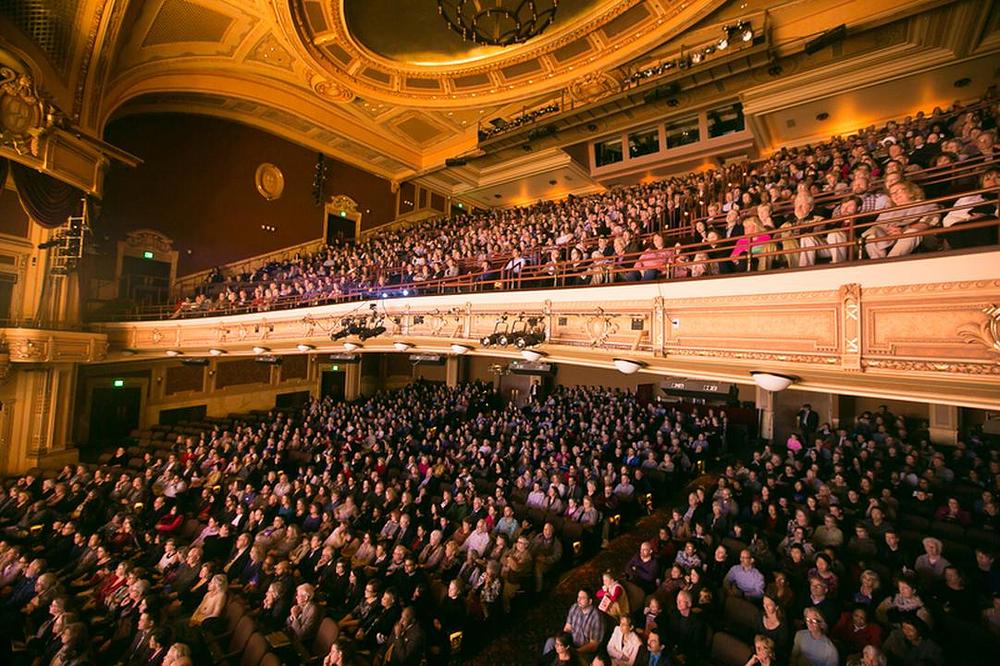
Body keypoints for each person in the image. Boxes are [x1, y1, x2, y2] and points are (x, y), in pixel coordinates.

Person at [544, 588, 604, 658]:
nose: (578, 600)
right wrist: (562, 642)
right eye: (578, 597)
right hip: (570, 642)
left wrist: (575, 651)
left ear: (590, 601)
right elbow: (567, 628)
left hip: (583, 649)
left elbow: (594, 645)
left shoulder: (596, 617)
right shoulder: (575, 607)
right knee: (550, 642)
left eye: (582, 598)